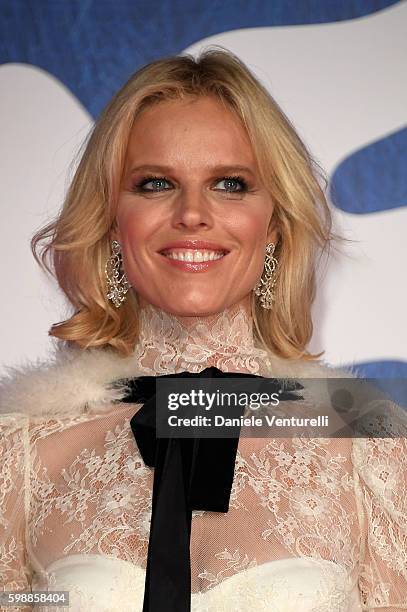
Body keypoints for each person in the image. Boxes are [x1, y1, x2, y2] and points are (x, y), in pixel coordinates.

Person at [0, 48, 406, 612]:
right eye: (155, 184)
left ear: (275, 230)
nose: (193, 212)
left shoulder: (370, 447)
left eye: (230, 184)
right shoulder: (19, 455)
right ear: (113, 224)